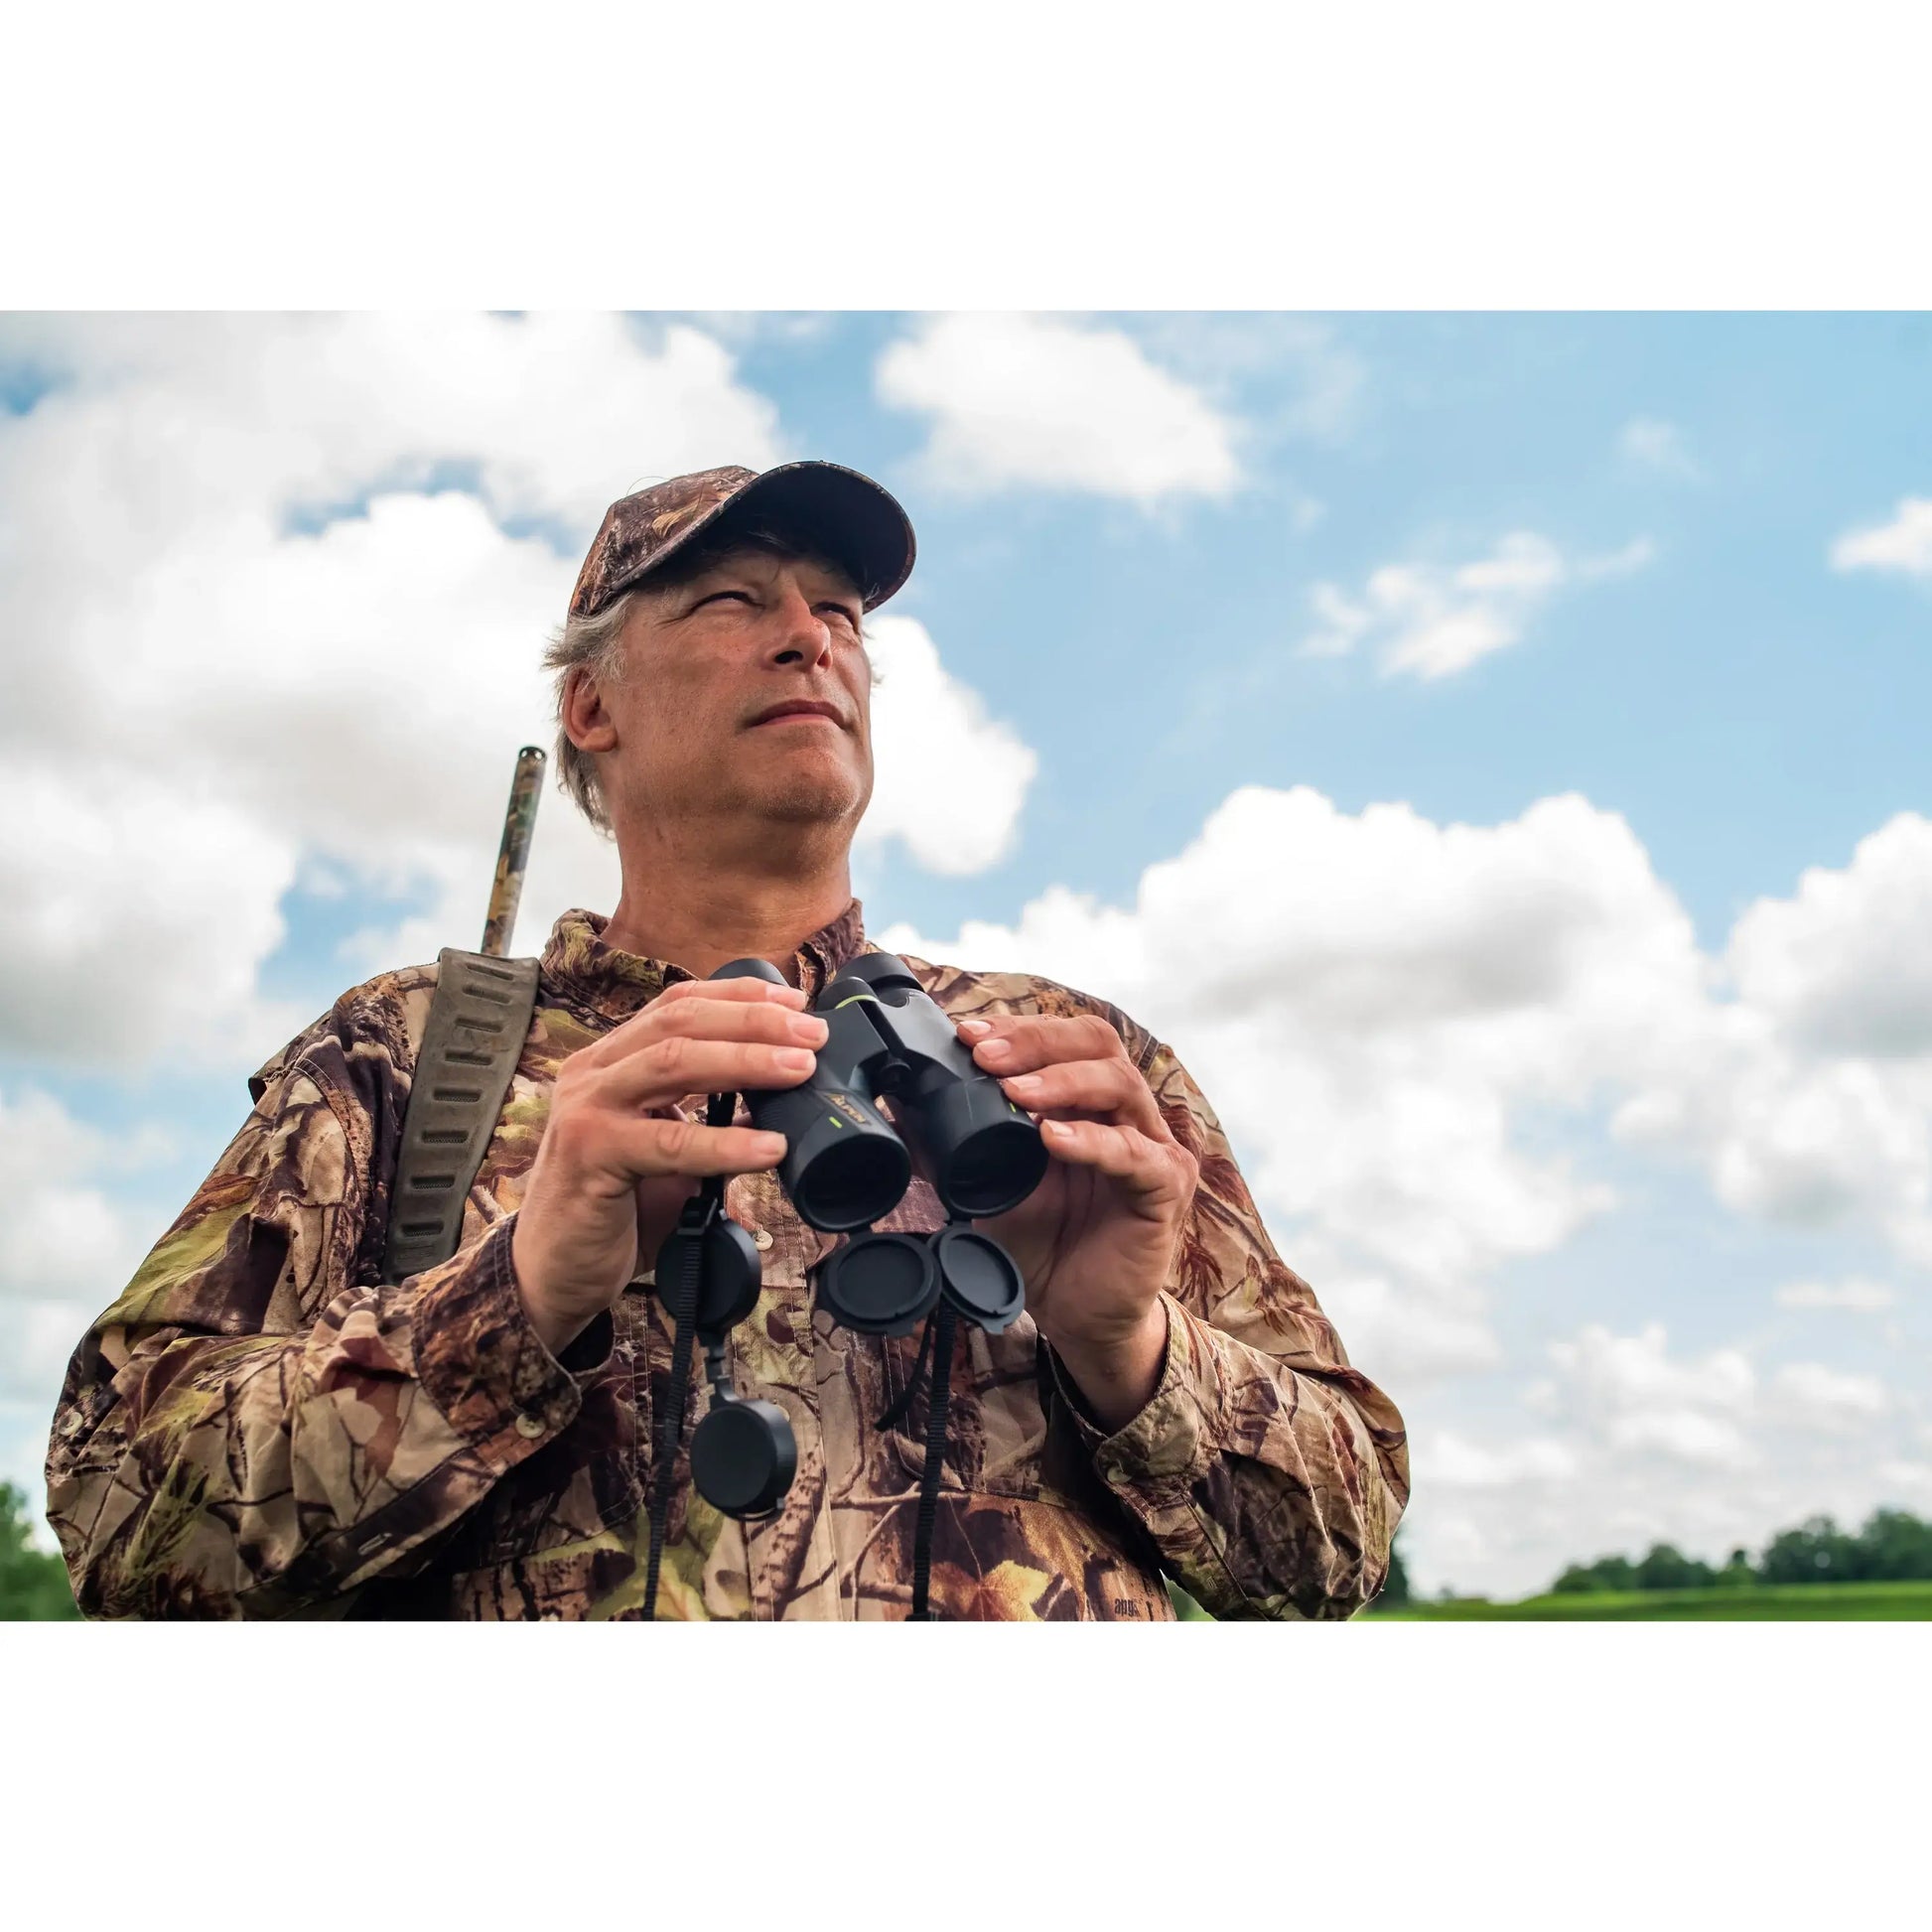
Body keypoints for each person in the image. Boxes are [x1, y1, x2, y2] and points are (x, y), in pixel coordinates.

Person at [45, 461, 1409, 1620]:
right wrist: (508, 1301)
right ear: (592, 709)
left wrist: (1127, 1347)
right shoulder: (406, 1058)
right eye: (733, 601)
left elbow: (1331, 1559)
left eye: (839, 613)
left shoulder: (1061, 1063)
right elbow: (119, 1525)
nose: (809, 636)